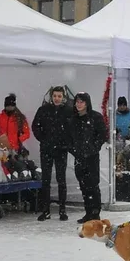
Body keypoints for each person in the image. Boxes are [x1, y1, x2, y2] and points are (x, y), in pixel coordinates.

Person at [32, 86, 72, 221]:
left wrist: (66, 142)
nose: (57, 98)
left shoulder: (68, 111)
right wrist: (43, 139)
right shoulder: (43, 110)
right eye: (55, 96)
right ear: (51, 96)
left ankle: (62, 210)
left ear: (63, 97)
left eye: (59, 96)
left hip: (61, 150)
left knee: (61, 180)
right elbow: (35, 126)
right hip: (46, 149)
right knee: (46, 180)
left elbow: (72, 128)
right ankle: (46, 210)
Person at [68, 92, 107, 223]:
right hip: (79, 157)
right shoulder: (73, 119)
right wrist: (74, 150)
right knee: (83, 186)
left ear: (87, 103)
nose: (79, 105)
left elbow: (102, 135)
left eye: (81, 102)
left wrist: (93, 148)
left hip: (92, 157)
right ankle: (88, 212)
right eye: (77, 102)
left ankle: (95, 213)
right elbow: (68, 139)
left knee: (93, 186)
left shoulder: (96, 117)